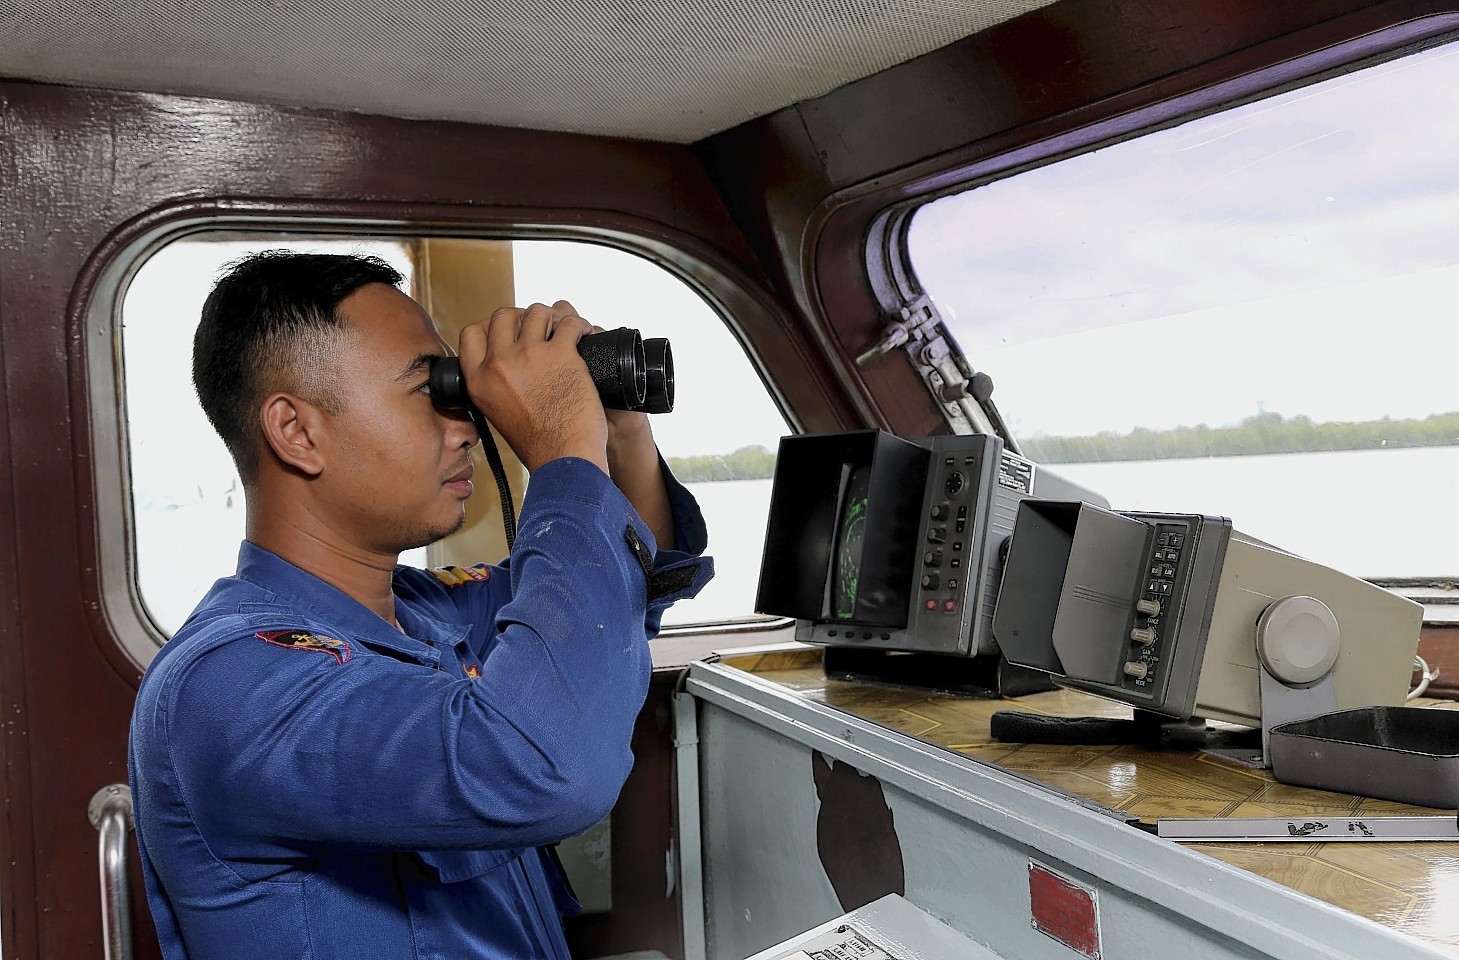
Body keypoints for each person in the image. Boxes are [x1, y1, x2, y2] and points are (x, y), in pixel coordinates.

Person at [128, 250, 713, 959]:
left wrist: (614, 429)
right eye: (429, 391)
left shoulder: (423, 614)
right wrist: (562, 451)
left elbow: (611, 598)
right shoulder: (230, 685)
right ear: (297, 431)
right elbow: (543, 770)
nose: (467, 427)